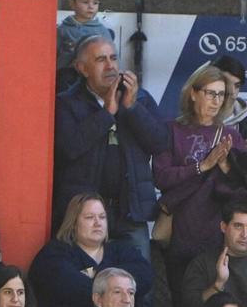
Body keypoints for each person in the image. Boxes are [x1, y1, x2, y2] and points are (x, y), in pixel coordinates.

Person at [53, 36, 168, 254]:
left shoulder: (139, 98)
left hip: (129, 212)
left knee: (139, 281)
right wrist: (107, 114)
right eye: (100, 60)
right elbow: (67, 149)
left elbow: (160, 143)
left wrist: (132, 108)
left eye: (113, 58)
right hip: (84, 214)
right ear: (82, 68)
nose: (110, 66)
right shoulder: (66, 103)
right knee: (85, 280)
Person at [152, 64, 247, 288]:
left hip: (217, 233)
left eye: (221, 94)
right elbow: (162, 177)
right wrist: (202, 166)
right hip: (181, 230)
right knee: (181, 302)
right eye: (210, 93)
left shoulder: (231, 136)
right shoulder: (171, 129)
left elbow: (243, 190)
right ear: (193, 93)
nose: (216, 100)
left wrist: (226, 168)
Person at [30, 193, 153, 307]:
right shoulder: (55, 253)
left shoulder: (121, 250)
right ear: (73, 222)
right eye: (89, 217)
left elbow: (145, 275)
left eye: (102, 217)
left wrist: (95, 275)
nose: (98, 223)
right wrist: (116, 286)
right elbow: (69, 287)